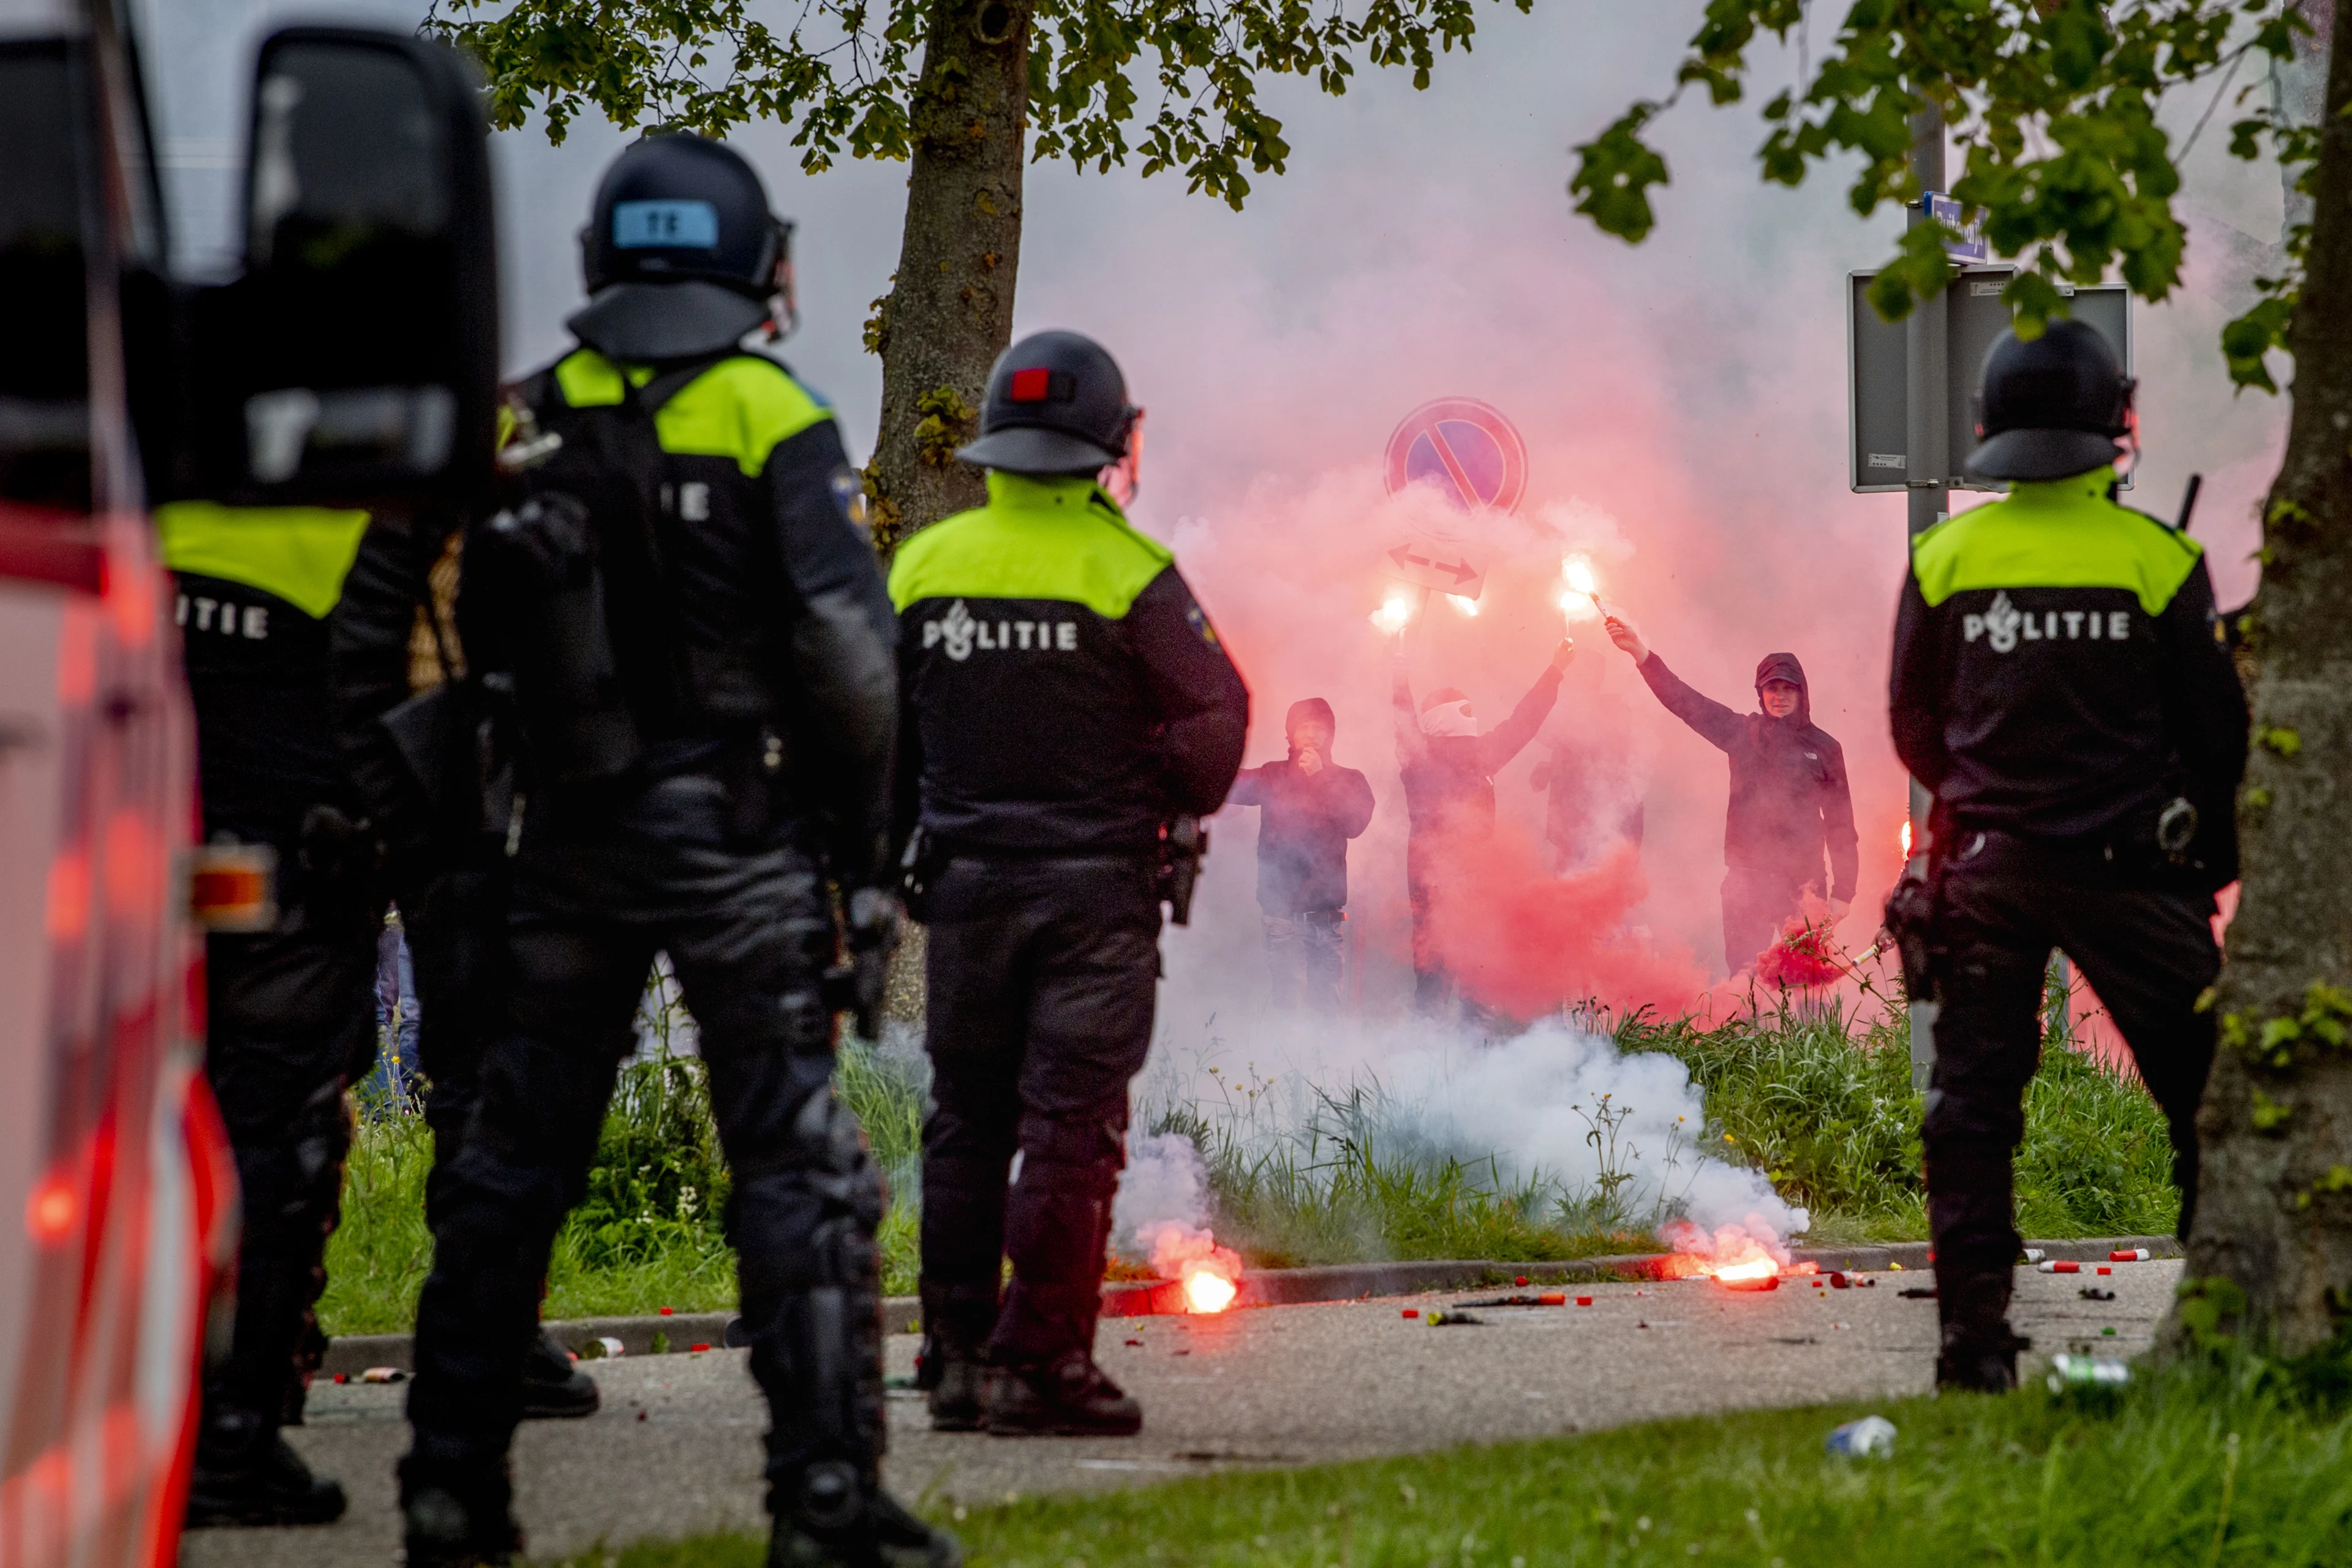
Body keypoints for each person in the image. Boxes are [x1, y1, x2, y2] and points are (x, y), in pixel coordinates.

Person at [397, 134, 955, 1568]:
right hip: (740, 845)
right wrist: (868, 862)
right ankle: (823, 1500)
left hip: (561, 847)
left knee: (510, 1162)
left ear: (604, 257)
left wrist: (460, 847)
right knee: (795, 1167)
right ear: (749, 261)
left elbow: (430, 646)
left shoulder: (525, 417)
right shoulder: (775, 414)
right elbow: (851, 662)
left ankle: (451, 1490)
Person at [894, 330, 1248, 1438]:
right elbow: (1218, 721)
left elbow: (877, 728)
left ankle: (954, 1359)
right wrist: (1148, 788)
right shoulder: (1128, 569)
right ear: (1108, 444)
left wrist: (890, 848)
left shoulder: (925, 566)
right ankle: (1040, 1364)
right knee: (1069, 1127)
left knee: (965, 1119)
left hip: (964, 891)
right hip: (1094, 897)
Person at [1888, 320, 2247, 1392]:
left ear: (1989, 424)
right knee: (2209, 1095)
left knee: (1972, 1111)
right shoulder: (2160, 559)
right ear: (2114, 422)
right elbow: (2218, 739)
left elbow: (1914, 728)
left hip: (1988, 871)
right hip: (2136, 874)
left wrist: (1996, 797)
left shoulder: (1944, 558)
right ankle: (2222, 1331)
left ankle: (1973, 1349)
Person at [330, 504, 604, 1422]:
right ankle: (487, 1335)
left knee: (311, 1059)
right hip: (455, 773)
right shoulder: (473, 476)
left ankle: (256, 1354)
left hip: (386, 761)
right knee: (487, 1072)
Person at [164, 501, 382, 1528]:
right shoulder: (364, 494)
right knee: (275, 1127)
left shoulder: (120, 485)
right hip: (283, 833)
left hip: (104, 801)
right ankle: (231, 1433)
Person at [1604, 619, 1858, 973]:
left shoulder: (1826, 748)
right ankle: (1745, 1012)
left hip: (1805, 886)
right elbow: (1686, 702)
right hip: (1747, 883)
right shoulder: (1742, 733)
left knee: (1806, 985)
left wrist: (1844, 892)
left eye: (1788, 688)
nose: (1780, 696)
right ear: (1760, 692)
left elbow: (1841, 825)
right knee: (1744, 982)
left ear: (1802, 693)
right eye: (1772, 688)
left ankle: (1807, 1012)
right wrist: (1642, 655)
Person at [1392, 639, 1572, 1016]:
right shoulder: (1419, 756)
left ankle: (1469, 1046)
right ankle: (1432, 1046)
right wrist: (1399, 677)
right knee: (1436, 976)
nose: (1472, 715)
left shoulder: (1478, 754)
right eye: (1465, 709)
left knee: (1473, 978)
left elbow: (1524, 722)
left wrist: (1554, 672)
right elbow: (1404, 717)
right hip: (1432, 886)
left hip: (1475, 887)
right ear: (1446, 717)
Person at [1226, 698, 1376, 1008]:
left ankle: (1324, 1046)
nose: (1310, 734)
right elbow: (1230, 784)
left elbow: (1355, 824)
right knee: (1289, 1009)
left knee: (1327, 1010)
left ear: (1330, 734)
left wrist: (1321, 779)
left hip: (1327, 921)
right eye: (1303, 727)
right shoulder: (1273, 775)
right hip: (1283, 919)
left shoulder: (1350, 780)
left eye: (1319, 727)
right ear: (1290, 735)